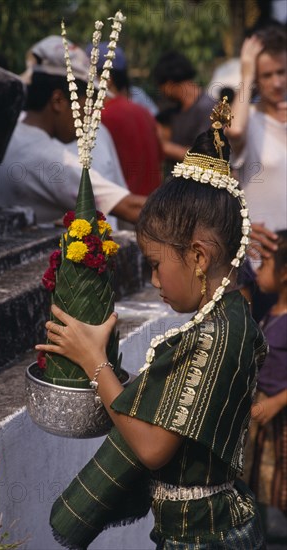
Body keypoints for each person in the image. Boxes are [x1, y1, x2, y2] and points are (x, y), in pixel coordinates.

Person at [36, 98, 268, 548]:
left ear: (198, 257)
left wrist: (94, 363)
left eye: (157, 264)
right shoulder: (231, 316)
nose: (154, 279)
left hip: (204, 536)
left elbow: (151, 447)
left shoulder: (211, 336)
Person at [0, 36, 146, 226]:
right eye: (87, 104)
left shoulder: (7, 133)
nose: (90, 115)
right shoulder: (47, 158)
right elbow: (130, 208)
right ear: (59, 101)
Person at [226, 25, 286, 321]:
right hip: (265, 269)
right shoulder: (250, 124)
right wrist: (246, 73)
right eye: (267, 75)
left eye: (282, 71)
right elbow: (234, 129)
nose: (277, 82)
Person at [243, 229, 287, 517]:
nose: (258, 272)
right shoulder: (272, 311)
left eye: (266, 265)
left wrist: (277, 401)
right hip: (265, 422)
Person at [87, 42, 163, 197]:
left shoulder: (100, 118)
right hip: (151, 209)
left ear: (105, 79)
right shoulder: (144, 113)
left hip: (121, 213)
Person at [153, 51, 216, 163]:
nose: (162, 93)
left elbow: (203, 158)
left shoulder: (207, 108)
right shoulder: (176, 111)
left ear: (169, 84)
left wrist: (163, 146)